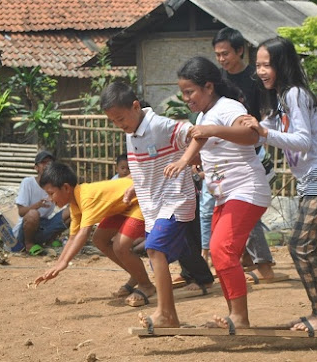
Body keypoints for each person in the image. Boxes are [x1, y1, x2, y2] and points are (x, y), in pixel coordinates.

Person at [242, 36, 317, 334]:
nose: (261, 71)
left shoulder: (295, 95)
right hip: (314, 179)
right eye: (258, 65)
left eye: (267, 65)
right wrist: (254, 126)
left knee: (301, 246)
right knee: (305, 246)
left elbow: (302, 140)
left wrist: (262, 131)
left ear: (282, 64)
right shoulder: (282, 98)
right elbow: (272, 129)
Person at [164, 56, 271, 331]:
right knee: (218, 251)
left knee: (222, 248)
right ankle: (233, 314)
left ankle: (240, 317)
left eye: (190, 92)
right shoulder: (203, 115)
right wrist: (192, 162)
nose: (186, 98)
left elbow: (251, 136)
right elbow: (207, 148)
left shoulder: (228, 107)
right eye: (183, 93)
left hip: (246, 189)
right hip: (225, 193)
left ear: (208, 86)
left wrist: (213, 130)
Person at [100, 81, 214, 329]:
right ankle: (170, 312)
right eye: (114, 122)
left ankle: (166, 314)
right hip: (154, 206)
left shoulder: (160, 125)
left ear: (135, 106)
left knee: (153, 249)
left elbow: (200, 133)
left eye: (121, 118)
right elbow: (143, 167)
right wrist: (134, 186)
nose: (120, 125)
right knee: (157, 255)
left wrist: (184, 160)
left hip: (175, 200)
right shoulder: (132, 132)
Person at [33, 163, 155, 306]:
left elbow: (84, 233)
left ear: (66, 188)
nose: (50, 199)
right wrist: (58, 264)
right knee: (99, 239)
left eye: (51, 193)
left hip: (139, 202)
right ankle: (136, 275)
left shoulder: (86, 197)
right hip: (122, 207)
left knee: (120, 246)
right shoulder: (75, 204)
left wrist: (64, 263)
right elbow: (73, 237)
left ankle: (146, 285)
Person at [213, 27, 277, 282]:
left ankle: (264, 264)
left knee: (244, 210)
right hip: (227, 155)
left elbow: (267, 113)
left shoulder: (255, 79)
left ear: (240, 50)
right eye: (217, 54)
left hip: (253, 151)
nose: (221, 59)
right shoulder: (218, 80)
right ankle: (247, 261)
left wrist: (259, 131)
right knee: (234, 211)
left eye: (225, 53)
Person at [13, 151, 69, 254]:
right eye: (43, 162)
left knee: (72, 211)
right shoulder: (28, 182)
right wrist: (37, 205)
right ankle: (28, 245)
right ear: (36, 167)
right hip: (26, 230)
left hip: (45, 226)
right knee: (33, 214)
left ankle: (50, 239)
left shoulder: (55, 185)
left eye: (50, 163)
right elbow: (21, 212)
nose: (47, 165)